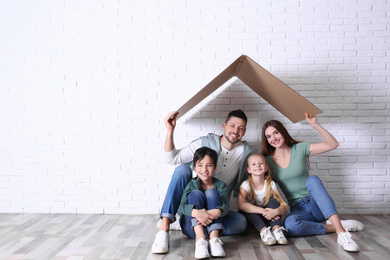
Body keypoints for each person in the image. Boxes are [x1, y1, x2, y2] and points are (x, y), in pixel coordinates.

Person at [151, 109, 255, 254]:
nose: (235, 130)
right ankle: (164, 229)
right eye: (232, 125)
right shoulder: (204, 143)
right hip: (195, 202)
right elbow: (171, 159)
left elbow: (261, 168)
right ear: (224, 126)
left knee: (241, 222)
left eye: (241, 128)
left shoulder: (246, 152)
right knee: (182, 170)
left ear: (244, 132)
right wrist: (170, 130)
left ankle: (193, 227)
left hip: (216, 206)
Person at [261, 113, 364, 252]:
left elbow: (333, 144)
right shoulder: (267, 161)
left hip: (318, 204)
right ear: (266, 140)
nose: (273, 138)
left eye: (276, 133)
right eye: (269, 136)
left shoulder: (300, 148)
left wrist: (315, 124)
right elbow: (265, 187)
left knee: (313, 180)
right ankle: (334, 226)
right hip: (298, 209)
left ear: (283, 132)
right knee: (290, 225)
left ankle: (342, 233)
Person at [179, 147, 228, 259]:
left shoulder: (221, 185)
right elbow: (182, 206)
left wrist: (217, 211)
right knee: (196, 194)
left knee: (212, 193)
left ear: (215, 167)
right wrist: (197, 213)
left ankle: (214, 239)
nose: (204, 169)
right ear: (195, 167)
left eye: (209, 165)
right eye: (200, 165)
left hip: (213, 226)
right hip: (193, 229)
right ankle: (200, 240)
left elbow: (226, 205)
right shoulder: (191, 184)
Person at [238, 153, 288, 246]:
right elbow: (241, 204)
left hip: (268, 217)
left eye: (261, 163)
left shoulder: (270, 184)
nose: (257, 165)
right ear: (249, 170)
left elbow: (284, 205)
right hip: (251, 219)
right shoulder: (246, 185)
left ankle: (277, 229)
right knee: (247, 205)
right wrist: (263, 211)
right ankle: (264, 231)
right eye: (253, 164)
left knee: (274, 202)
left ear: (266, 168)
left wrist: (275, 211)